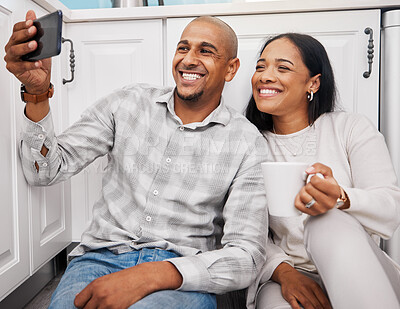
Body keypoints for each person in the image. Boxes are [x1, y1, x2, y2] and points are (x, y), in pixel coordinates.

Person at [4, 11, 270, 309]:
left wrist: (154, 274)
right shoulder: (128, 103)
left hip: (181, 274)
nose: (189, 59)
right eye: (183, 48)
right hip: (98, 260)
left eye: (205, 51)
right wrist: (37, 95)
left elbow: (247, 256)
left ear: (231, 68)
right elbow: (45, 171)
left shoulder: (247, 142)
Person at [245, 33, 400, 309]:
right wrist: (285, 273)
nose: (265, 76)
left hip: (362, 269)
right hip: (292, 275)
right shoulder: (248, 145)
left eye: (282, 67)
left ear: (313, 83)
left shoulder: (350, 128)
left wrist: (340, 198)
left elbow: (390, 208)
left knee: (324, 221)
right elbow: (244, 230)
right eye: (260, 67)